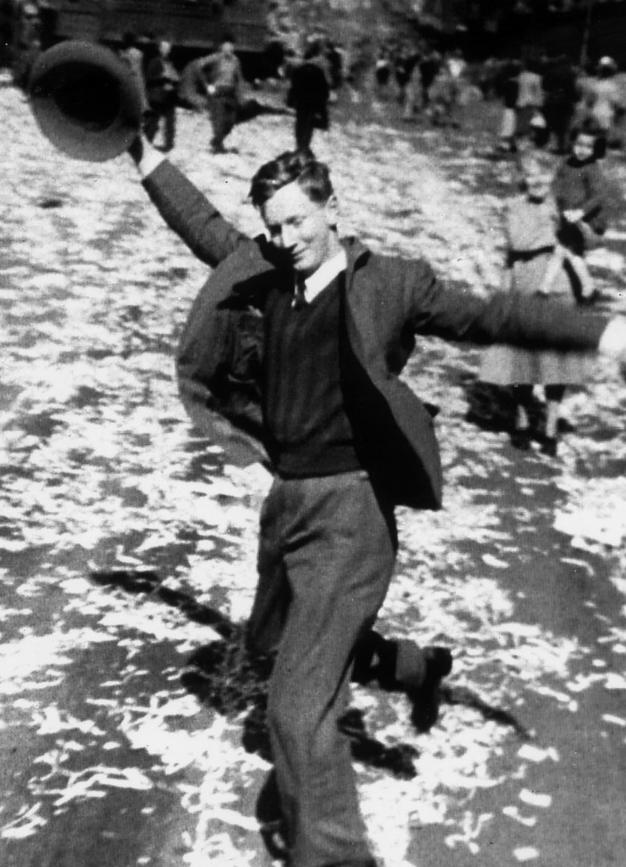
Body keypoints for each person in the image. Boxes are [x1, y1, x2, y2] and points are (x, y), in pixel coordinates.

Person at [127, 139, 626, 866]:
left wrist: (603, 331)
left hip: (351, 512)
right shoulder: (266, 272)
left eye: (299, 221)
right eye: (273, 225)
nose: (286, 239)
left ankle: (335, 856)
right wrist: (141, 153)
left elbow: (487, 315)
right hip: (287, 504)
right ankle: (415, 666)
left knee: (296, 708)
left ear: (334, 209)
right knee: (273, 645)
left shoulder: (389, 285)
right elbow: (202, 226)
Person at [479, 150, 599, 457]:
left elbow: (591, 238)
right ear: (522, 179)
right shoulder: (513, 207)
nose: (537, 181)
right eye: (530, 175)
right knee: (523, 359)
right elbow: (517, 242)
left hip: (560, 288)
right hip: (524, 283)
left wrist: (581, 226)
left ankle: (549, 427)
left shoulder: (561, 205)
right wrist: (553, 233)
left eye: (543, 175)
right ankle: (521, 420)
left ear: (552, 178)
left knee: (555, 363)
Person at [551, 124, 612, 302]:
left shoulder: (592, 169)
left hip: (587, 219)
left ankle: (585, 289)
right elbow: (557, 183)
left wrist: (581, 212)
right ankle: (586, 288)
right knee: (568, 251)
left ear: (596, 149)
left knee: (567, 250)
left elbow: (599, 195)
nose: (582, 150)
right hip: (567, 215)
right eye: (579, 144)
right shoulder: (566, 163)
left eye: (588, 146)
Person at [194, 33, 244, 154]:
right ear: (221, 47)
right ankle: (218, 146)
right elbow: (197, 66)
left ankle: (216, 141)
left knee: (231, 121)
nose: (228, 49)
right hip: (217, 93)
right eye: (225, 46)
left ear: (233, 48)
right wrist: (207, 85)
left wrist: (241, 96)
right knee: (219, 121)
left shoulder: (236, 61)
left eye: (230, 47)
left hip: (230, 93)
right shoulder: (215, 58)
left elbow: (239, 79)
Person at [286, 41, 330, 152]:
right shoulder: (319, 71)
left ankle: (299, 145)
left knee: (300, 123)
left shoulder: (299, 70)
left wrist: (290, 101)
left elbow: (293, 87)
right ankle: (304, 146)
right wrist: (322, 106)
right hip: (313, 104)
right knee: (309, 125)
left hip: (301, 103)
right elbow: (324, 90)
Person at [144, 39, 179, 152]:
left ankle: (168, 144)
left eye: (168, 48)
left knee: (170, 121)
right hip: (157, 96)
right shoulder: (154, 61)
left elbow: (176, 78)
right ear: (159, 48)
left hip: (168, 97)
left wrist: (173, 82)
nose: (166, 50)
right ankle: (147, 144)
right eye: (164, 47)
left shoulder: (169, 63)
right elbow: (149, 78)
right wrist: (162, 78)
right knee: (153, 122)